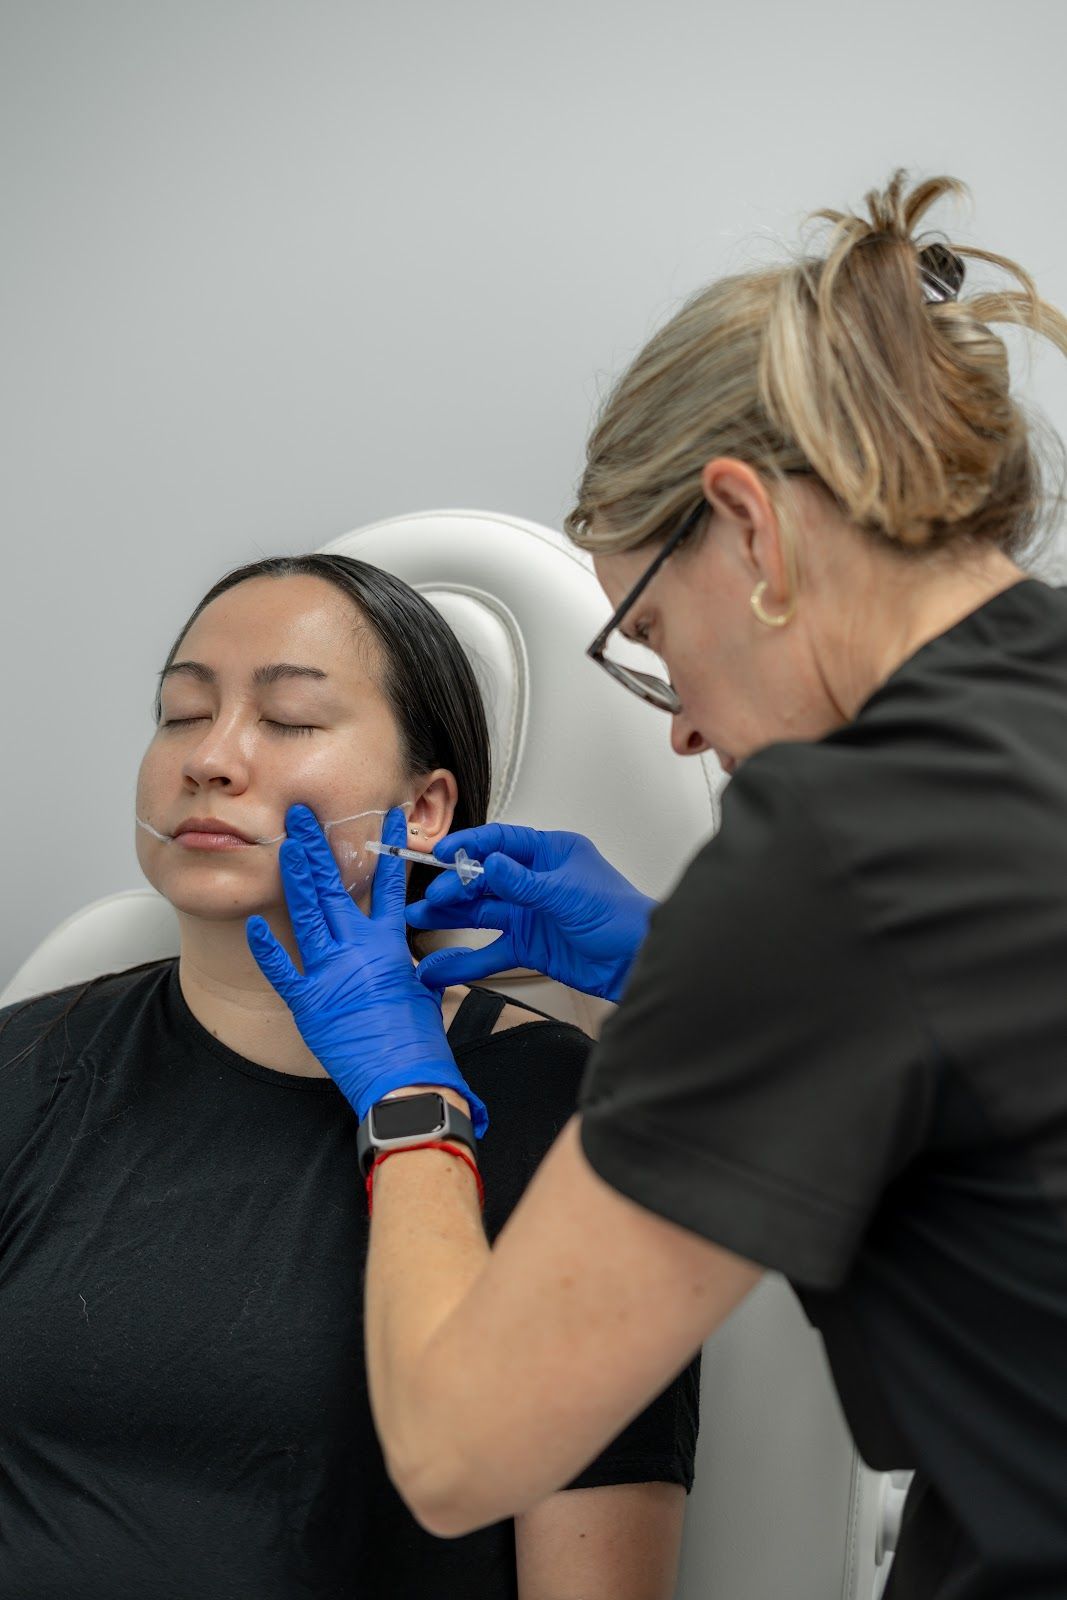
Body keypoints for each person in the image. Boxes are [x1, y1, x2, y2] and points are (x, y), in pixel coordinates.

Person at [247, 175, 1067, 1600]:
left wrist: (406, 1094)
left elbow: (453, 1455)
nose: (676, 724)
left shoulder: (836, 855)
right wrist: (687, 964)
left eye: (646, 631)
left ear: (744, 528)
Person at [0, 554, 699, 1600]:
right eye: (182, 713)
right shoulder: (27, 1064)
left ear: (423, 812)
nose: (213, 758)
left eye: (287, 719)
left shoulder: (571, 1118)